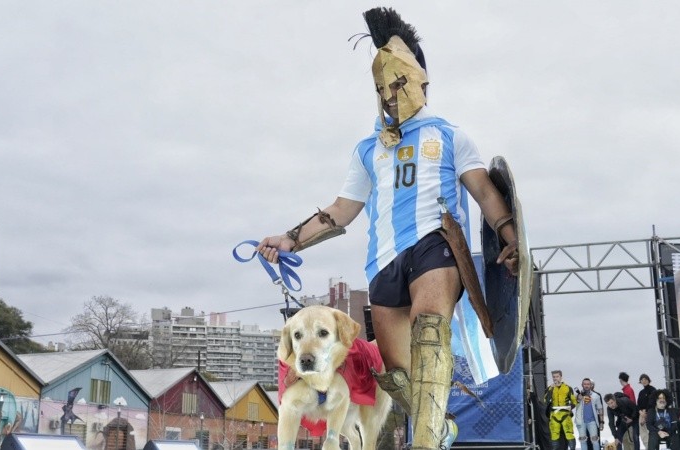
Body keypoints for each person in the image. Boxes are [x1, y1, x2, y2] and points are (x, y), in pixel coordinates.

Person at [257, 7, 520, 450]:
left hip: (435, 246)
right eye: (382, 88)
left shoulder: (451, 136)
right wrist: (289, 238)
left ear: (422, 81)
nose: (390, 95)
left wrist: (511, 237)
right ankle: (437, 427)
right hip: (382, 263)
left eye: (398, 84)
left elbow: (486, 193)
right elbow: (341, 209)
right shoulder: (366, 149)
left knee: (431, 331)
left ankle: (425, 442)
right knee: (401, 375)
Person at [544, 370, 577, 450]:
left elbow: (574, 402)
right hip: (554, 414)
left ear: (561, 377)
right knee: (554, 434)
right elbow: (545, 400)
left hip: (565, 414)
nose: (555, 378)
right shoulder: (550, 388)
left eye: (557, 376)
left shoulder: (568, 388)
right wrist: (551, 389)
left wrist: (570, 407)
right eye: (554, 377)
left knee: (569, 434)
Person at [574, 378, 604, 450]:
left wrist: (602, 422)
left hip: (592, 421)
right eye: (585, 384)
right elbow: (572, 405)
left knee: (595, 441)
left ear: (591, 385)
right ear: (582, 385)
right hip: (581, 422)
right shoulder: (577, 395)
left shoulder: (596, 395)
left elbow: (600, 409)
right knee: (582, 441)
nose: (586, 386)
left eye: (588, 384)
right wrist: (578, 399)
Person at [618, 372, 639, 450]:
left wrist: (630, 417)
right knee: (626, 439)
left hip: (630, 418)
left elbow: (633, 403)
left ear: (621, 380)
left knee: (631, 439)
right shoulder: (627, 389)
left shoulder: (628, 390)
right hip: (628, 417)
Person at [636, 374, 656, 448]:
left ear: (648, 380)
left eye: (645, 379)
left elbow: (652, 403)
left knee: (650, 432)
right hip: (641, 413)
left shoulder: (653, 390)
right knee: (643, 434)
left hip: (650, 413)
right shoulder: (641, 392)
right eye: (642, 379)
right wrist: (640, 412)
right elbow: (638, 404)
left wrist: (646, 413)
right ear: (640, 381)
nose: (644, 381)